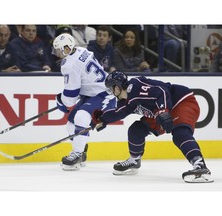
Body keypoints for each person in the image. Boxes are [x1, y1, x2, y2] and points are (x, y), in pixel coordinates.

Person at [90, 70, 213, 183]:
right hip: (159, 111)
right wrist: (101, 119)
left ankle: (200, 165)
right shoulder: (125, 101)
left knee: (180, 133)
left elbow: (161, 91)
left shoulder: (135, 88)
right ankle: (135, 160)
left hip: (180, 101)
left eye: (112, 88)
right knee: (136, 130)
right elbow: (118, 113)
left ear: (117, 86)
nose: (111, 92)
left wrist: (163, 111)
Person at [52, 33, 116, 171]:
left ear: (67, 48)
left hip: (105, 94)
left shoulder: (69, 65)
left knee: (81, 116)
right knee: (71, 123)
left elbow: (70, 98)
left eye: (58, 49)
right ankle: (81, 151)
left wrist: (60, 101)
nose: (56, 53)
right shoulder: (82, 50)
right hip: (92, 94)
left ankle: (77, 154)